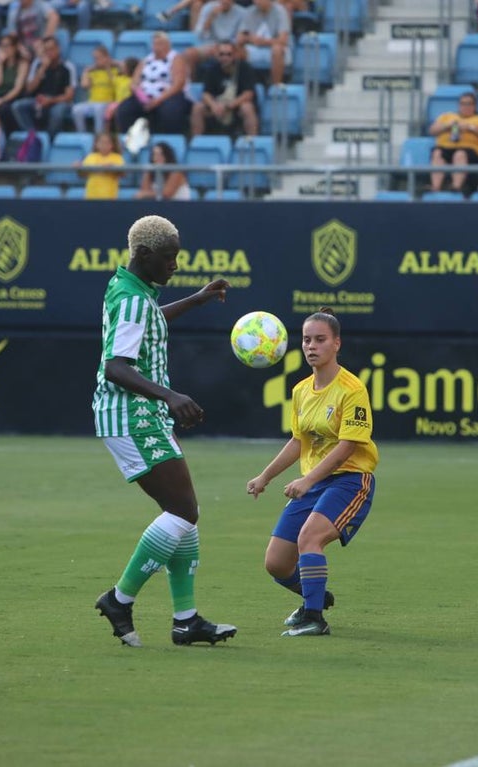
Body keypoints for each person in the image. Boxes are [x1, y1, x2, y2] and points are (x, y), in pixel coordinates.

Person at [92, 214, 237, 649]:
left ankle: (186, 621)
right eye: (169, 258)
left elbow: (149, 320)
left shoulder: (131, 289)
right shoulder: (135, 299)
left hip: (143, 415)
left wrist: (197, 299)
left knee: (185, 513)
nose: (175, 265)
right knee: (183, 511)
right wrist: (171, 396)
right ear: (144, 254)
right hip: (130, 415)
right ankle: (119, 599)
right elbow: (115, 368)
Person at [246, 308, 378, 637]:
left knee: (310, 538)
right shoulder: (302, 390)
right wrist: (265, 476)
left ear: (336, 344)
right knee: (276, 563)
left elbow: (347, 446)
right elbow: (298, 441)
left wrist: (308, 480)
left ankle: (315, 618)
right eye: (306, 340)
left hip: (350, 480)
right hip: (316, 483)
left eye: (320, 339)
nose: (311, 346)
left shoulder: (352, 389)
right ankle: (313, 597)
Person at [113, 31, 189, 137]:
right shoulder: (146, 60)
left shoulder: (176, 58)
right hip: (144, 96)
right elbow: (134, 82)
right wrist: (141, 95)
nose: (156, 47)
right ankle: (128, 139)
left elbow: (178, 84)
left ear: (167, 45)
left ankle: (167, 140)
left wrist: (158, 100)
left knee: (169, 111)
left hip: (167, 95)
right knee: (124, 109)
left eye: (160, 44)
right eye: (155, 44)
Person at [428, 90, 478, 196]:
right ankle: (435, 188)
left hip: (473, 152)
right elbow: (432, 131)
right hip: (447, 147)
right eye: (463, 103)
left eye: (469, 104)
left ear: (475, 106)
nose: (465, 106)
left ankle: (456, 187)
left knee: (460, 154)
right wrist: (447, 126)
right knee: (437, 153)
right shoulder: (447, 116)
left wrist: (470, 127)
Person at [190, 39, 258, 138]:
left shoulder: (245, 68)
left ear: (235, 54)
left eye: (228, 54)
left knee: (247, 108)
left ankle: (253, 143)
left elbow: (248, 94)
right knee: (198, 107)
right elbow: (206, 94)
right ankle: (196, 143)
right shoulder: (212, 69)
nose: (225, 57)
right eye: (221, 54)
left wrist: (229, 106)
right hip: (217, 107)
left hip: (236, 107)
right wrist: (213, 105)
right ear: (217, 55)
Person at [10, 34, 74, 137]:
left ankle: (49, 138)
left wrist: (51, 100)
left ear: (58, 49)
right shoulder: (38, 65)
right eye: (46, 50)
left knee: (57, 112)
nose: (49, 53)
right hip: (40, 99)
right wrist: (42, 69)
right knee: (17, 106)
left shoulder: (67, 67)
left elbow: (69, 96)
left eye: (51, 49)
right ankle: (33, 136)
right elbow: (29, 89)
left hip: (58, 100)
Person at [237, 0, 290, 86]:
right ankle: (244, 86)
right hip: (254, 48)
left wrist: (263, 41)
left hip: (273, 48)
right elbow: (240, 37)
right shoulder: (249, 11)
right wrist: (250, 39)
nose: (257, 2)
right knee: (237, 49)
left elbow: (283, 41)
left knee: (277, 50)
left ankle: (275, 88)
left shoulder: (280, 11)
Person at [71, 44, 120, 134]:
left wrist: (108, 66)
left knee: (99, 108)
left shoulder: (115, 70)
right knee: (76, 109)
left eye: (99, 58)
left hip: (107, 102)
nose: (96, 61)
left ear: (107, 57)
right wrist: (86, 71)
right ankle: (82, 134)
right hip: (92, 102)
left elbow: (115, 84)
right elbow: (84, 85)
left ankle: (99, 135)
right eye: (95, 58)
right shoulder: (93, 72)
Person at [0, 33, 25, 134]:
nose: (5, 49)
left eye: (7, 46)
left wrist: (2, 100)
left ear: (14, 47)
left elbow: (18, 88)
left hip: (12, 96)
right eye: (2, 46)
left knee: (4, 109)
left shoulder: (22, 64)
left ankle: (7, 135)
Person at [77, 130, 123, 200]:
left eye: (107, 143)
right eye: (101, 142)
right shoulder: (90, 157)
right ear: (96, 144)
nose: (104, 145)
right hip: (91, 197)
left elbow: (122, 173)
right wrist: (79, 167)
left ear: (112, 144)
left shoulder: (117, 158)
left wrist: (112, 168)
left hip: (110, 197)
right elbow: (82, 174)